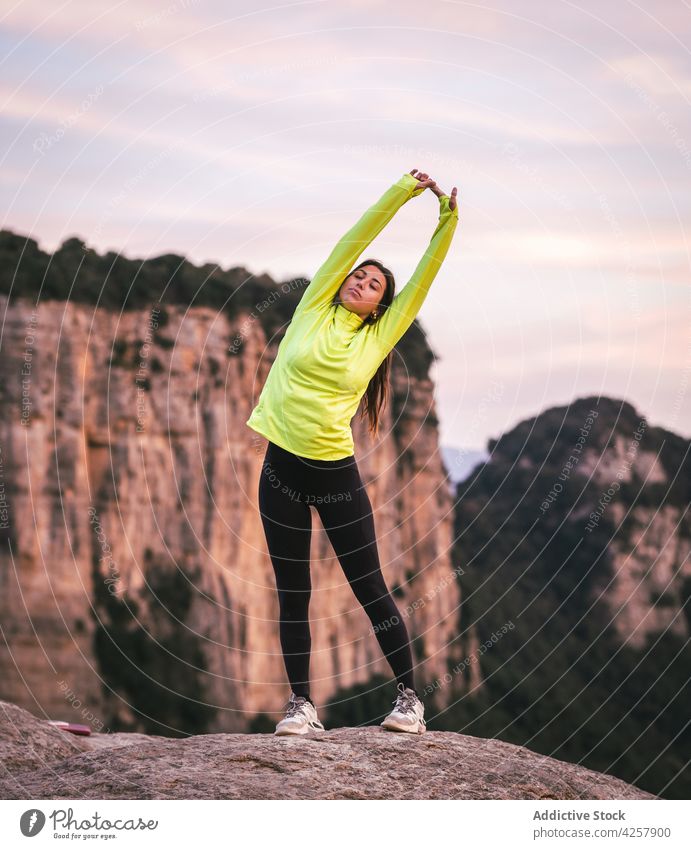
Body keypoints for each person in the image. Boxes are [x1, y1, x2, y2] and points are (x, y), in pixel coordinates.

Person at [246, 168, 459, 736]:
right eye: (359, 275)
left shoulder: (376, 338)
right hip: (280, 471)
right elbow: (354, 239)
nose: (362, 280)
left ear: (380, 308)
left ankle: (409, 701)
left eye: (374, 285)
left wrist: (445, 219)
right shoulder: (313, 307)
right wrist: (401, 192)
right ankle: (301, 706)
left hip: (335, 475)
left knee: (371, 590)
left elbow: (421, 279)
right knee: (294, 594)